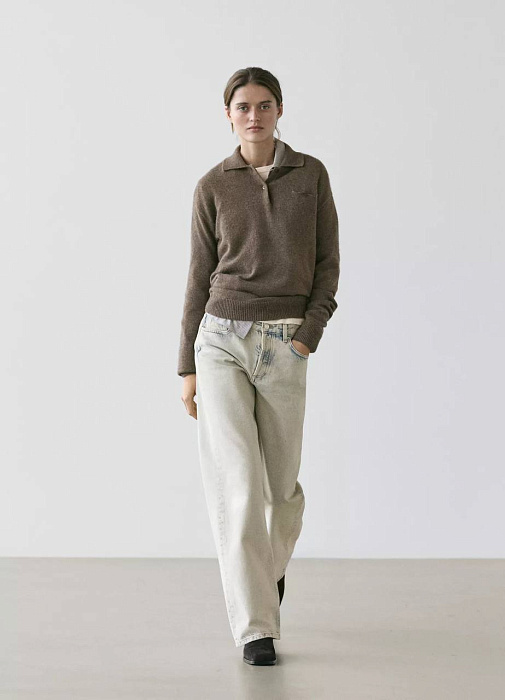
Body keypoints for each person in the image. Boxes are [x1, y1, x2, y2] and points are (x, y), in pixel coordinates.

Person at [178, 66, 340, 665]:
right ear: (228, 115)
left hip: (284, 343)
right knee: (240, 486)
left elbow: (328, 263)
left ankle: (266, 573)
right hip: (220, 339)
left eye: (264, 104)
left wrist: (307, 337)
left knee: (282, 492)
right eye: (243, 106)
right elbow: (198, 276)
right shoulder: (212, 185)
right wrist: (186, 367)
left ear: (279, 110)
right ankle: (256, 628)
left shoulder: (311, 175)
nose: (254, 115)